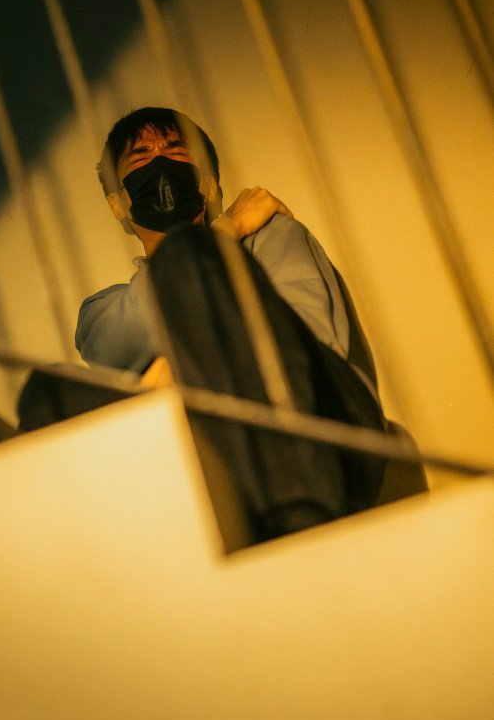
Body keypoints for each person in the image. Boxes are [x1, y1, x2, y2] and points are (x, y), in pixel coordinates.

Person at [20, 106, 388, 543]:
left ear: (208, 186)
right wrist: (225, 229)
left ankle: (302, 515)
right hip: (202, 460)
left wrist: (173, 374)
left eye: (176, 151)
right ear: (117, 203)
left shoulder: (271, 238)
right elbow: (110, 347)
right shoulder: (104, 308)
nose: (160, 163)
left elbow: (313, 349)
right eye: (141, 157)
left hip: (329, 440)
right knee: (50, 392)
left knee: (187, 256)